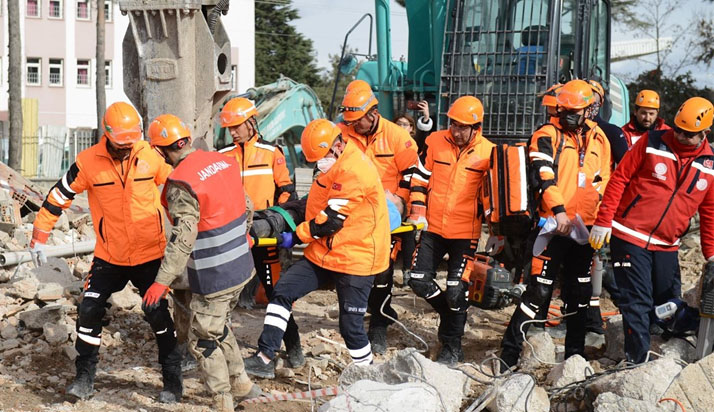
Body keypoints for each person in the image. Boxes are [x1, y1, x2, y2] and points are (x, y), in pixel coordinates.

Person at [29, 102, 182, 402]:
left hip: (150, 255)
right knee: (89, 308)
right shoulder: (88, 162)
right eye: (121, 145)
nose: (127, 150)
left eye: (131, 144)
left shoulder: (150, 155)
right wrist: (39, 236)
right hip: (109, 257)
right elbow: (58, 196)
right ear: (107, 134)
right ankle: (84, 377)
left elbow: (178, 189)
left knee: (157, 312)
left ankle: (172, 380)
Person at [243, 119, 390, 378]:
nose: (317, 164)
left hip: (357, 257)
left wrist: (295, 237)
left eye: (320, 158)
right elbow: (315, 208)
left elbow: (330, 222)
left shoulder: (354, 172)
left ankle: (369, 378)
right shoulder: (332, 164)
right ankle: (265, 356)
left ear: (336, 146)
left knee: (351, 328)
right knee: (283, 291)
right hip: (325, 252)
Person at [142, 114, 261, 411]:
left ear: (160, 150)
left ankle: (223, 401)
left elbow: (184, 236)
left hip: (215, 273)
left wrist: (162, 281)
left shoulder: (181, 182)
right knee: (217, 327)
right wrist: (244, 235)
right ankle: (243, 383)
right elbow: (247, 205)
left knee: (202, 338)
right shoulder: (222, 161)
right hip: (242, 266)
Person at [589, 97, 714, 364]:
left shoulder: (709, 166)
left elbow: (709, 212)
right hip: (629, 234)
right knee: (637, 301)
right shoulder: (652, 142)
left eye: (688, 134)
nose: (680, 136)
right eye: (678, 129)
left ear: (705, 133)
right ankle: (637, 361)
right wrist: (604, 220)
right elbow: (619, 178)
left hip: (666, 244)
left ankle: (668, 349)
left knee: (668, 305)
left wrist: (711, 253)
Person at [499, 80, 612, 370]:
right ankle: (508, 355)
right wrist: (559, 211)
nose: (569, 114)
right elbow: (543, 174)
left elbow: (606, 180)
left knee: (580, 292)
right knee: (539, 290)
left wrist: (603, 221)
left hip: (585, 230)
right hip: (552, 227)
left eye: (576, 110)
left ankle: (575, 356)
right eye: (566, 109)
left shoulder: (600, 139)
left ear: (589, 110)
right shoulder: (547, 134)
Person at [407, 96, 495, 365]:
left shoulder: (489, 152)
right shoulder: (434, 142)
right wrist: (418, 211)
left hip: (465, 234)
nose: (456, 132)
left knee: (458, 290)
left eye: (463, 127)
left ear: (476, 127)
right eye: (453, 125)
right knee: (418, 280)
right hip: (432, 228)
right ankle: (450, 313)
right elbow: (419, 178)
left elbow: (492, 196)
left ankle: (452, 346)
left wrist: (495, 231)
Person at [218, 97, 303, 368]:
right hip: (234, 236)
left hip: (264, 237)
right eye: (229, 128)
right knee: (223, 295)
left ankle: (294, 345)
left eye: (237, 126)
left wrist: (277, 221)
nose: (233, 132)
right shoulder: (222, 156)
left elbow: (287, 192)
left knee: (276, 292)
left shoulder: (271, 153)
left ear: (252, 122)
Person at [337, 84, 418, 354]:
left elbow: (413, 175)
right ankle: (357, 320)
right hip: (353, 214)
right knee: (355, 271)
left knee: (382, 272)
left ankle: (379, 327)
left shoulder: (397, 136)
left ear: (372, 113)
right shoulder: (343, 133)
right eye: (349, 121)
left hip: (387, 216)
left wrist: (401, 200)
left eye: (356, 120)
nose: (353, 126)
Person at [588, 80, 629, 164]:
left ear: (601, 102)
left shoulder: (612, 132)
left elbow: (626, 167)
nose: (589, 98)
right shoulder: (567, 129)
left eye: (593, 94)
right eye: (586, 93)